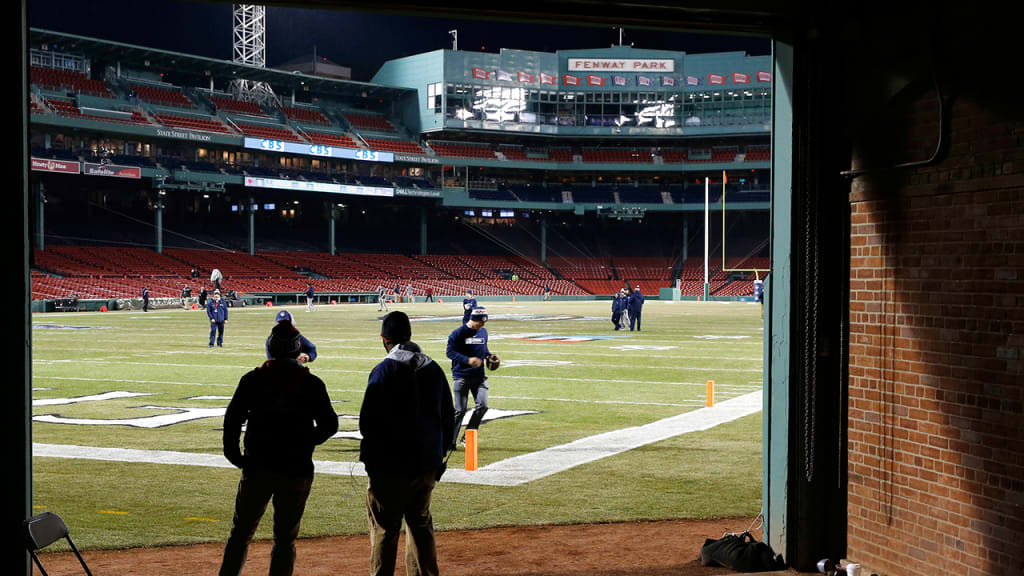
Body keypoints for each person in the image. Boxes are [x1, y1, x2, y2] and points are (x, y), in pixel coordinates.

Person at [219, 319, 338, 576]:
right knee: (285, 539)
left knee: (240, 533)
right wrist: (306, 442)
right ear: (297, 350)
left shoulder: (253, 379)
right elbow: (330, 424)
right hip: (296, 468)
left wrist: (235, 455)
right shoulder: (311, 383)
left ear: (270, 348)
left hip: (258, 465)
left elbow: (232, 419)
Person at [360, 311, 454, 576]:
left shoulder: (384, 370)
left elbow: (368, 422)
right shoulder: (433, 368)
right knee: (420, 525)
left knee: (385, 531)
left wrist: (371, 459)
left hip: (389, 467)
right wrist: (438, 457)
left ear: (384, 339)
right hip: (425, 464)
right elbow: (449, 417)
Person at [447, 307, 497, 448]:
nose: (483, 325)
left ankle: (468, 435)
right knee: (460, 411)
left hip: (479, 376)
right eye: (481, 322)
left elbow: (483, 348)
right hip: (461, 376)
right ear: (473, 320)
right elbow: (450, 352)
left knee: (483, 406)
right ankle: (449, 442)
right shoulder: (458, 333)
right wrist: (467, 360)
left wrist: (490, 356)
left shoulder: (483, 332)